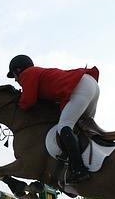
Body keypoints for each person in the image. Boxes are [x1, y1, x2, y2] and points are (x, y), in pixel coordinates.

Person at [7, 54, 100, 183]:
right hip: (90, 85)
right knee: (83, 127)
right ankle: (92, 161)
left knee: (64, 127)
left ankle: (79, 170)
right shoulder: (38, 73)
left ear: (18, 71)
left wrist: (16, 105)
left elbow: (27, 101)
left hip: (81, 87)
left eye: (14, 76)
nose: (16, 80)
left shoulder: (28, 74)